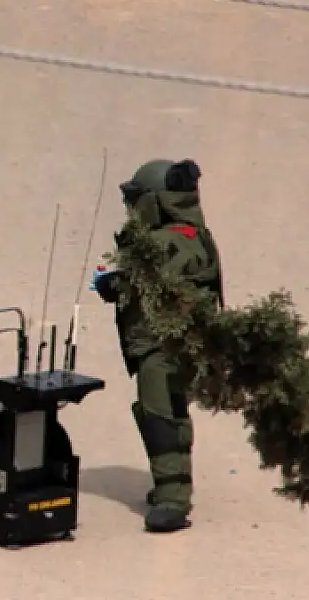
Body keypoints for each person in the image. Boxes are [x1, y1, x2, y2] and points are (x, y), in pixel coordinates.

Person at [93, 158, 225, 533]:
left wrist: (113, 284)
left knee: (161, 416)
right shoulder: (192, 235)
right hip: (171, 343)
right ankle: (173, 486)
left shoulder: (169, 241)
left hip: (164, 347)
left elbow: (148, 279)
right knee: (170, 412)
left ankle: (173, 500)